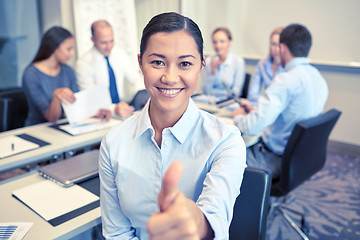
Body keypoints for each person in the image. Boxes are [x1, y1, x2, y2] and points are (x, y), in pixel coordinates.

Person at [99, 12, 246, 239]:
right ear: (140, 63)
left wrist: (196, 222)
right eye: (157, 62)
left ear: (201, 65)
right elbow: (116, 232)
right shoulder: (113, 142)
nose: (170, 77)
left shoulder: (226, 141)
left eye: (185, 63)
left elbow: (215, 215)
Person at [232, 24, 328, 178]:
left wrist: (238, 117)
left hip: (273, 159)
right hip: (300, 159)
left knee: (223, 157)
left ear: (282, 48)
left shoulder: (286, 80)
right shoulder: (318, 78)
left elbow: (252, 127)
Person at [22, 26, 111, 126]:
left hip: (64, 125)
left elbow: (77, 105)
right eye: (68, 49)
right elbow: (51, 118)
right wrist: (56, 97)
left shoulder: (67, 70)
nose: (72, 53)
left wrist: (96, 113)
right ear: (54, 47)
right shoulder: (31, 74)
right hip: (38, 129)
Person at [76, 20, 143, 118]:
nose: (109, 47)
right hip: (100, 114)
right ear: (92, 39)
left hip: (123, 108)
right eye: (104, 42)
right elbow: (90, 100)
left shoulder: (119, 53)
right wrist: (114, 109)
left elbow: (136, 78)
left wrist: (141, 98)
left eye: (111, 41)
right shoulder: (83, 64)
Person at [202, 27, 245, 97]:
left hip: (228, 103)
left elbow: (235, 93)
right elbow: (205, 90)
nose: (218, 45)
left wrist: (215, 93)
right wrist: (212, 72)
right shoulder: (209, 61)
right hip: (211, 101)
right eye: (215, 42)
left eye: (222, 41)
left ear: (229, 42)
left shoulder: (238, 62)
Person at [247, 27, 284, 106]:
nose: (276, 49)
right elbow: (252, 95)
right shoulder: (262, 65)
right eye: (273, 44)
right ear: (269, 45)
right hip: (265, 106)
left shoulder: (289, 68)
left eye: (279, 45)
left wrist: (265, 99)